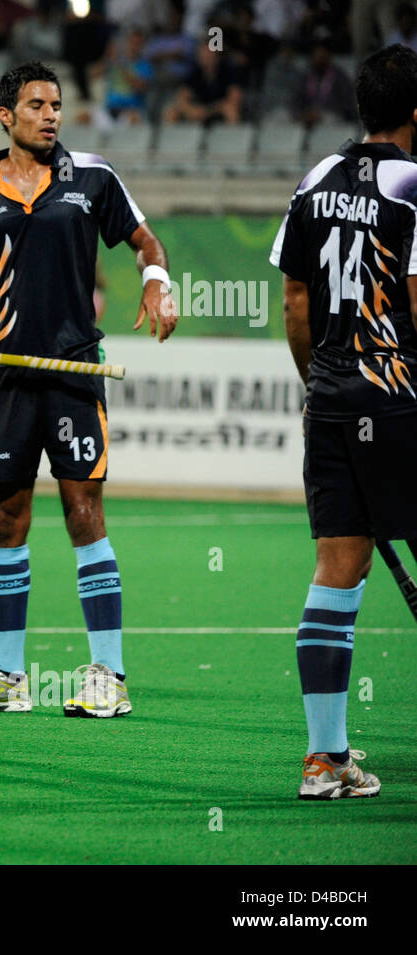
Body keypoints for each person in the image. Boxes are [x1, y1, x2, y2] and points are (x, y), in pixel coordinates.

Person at [0, 61, 176, 718]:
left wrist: (157, 285)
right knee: (5, 517)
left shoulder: (92, 178)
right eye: (37, 105)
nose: (52, 114)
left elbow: (147, 244)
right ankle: (7, 676)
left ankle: (109, 675)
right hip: (3, 374)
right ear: (6, 115)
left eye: (56, 104)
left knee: (83, 512)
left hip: (72, 371)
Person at [268, 44, 417, 800]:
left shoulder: (313, 180)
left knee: (337, 568)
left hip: (329, 399)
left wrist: (318, 387)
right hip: (398, 398)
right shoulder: (416, 187)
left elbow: (295, 305)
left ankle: (324, 759)